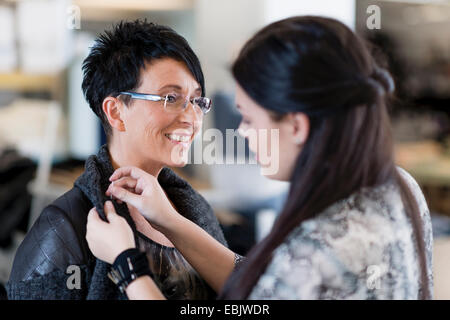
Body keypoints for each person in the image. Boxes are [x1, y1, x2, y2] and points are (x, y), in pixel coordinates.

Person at [85, 16, 433, 300]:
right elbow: (264, 288)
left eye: (249, 119)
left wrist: (128, 265)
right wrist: (170, 221)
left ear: (296, 125)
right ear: (115, 112)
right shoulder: (398, 186)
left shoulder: (319, 254)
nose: (242, 133)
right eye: (169, 99)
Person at [6, 20, 227, 300]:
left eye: (196, 101)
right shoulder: (64, 228)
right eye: (170, 97)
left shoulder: (193, 212)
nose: (191, 117)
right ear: (116, 112)